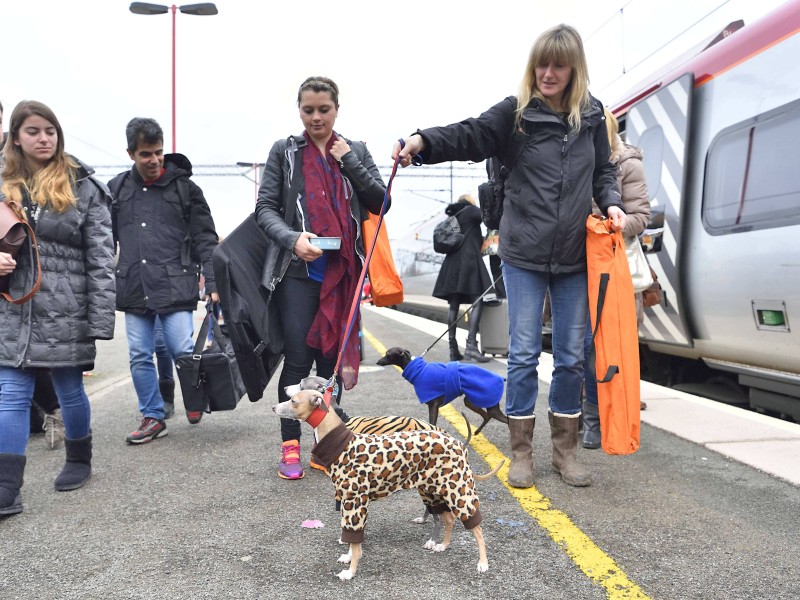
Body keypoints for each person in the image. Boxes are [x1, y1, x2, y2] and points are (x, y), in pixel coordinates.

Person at [394, 24, 627, 488]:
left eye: (558, 64)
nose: (548, 72)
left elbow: (603, 171)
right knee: (522, 354)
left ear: (574, 68)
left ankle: (565, 453)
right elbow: (470, 134)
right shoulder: (516, 115)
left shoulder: (593, 117)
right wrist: (422, 143)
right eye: (541, 63)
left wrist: (613, 201)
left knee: (570, 359)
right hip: (522, 254)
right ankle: (521, 452)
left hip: (574, 258)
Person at [255, 76, 388, 480]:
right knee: (297, 360)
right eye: (308, 110)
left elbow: (380, 201)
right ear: (299, 110)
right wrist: (293, 238)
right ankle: (290, 445)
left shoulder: (356, 149)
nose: (316, 117)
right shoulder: (285, 152)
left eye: (323, 109)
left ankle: (325, 445)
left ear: (336, 109)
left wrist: (349, 160)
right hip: (297, 272)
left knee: (329, 363)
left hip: (342, 273)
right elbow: (265, 209)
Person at [0, 100, 116, 516]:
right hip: (12, 306)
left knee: (69, 388)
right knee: (11, 394)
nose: (43, 138)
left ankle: (79, 459)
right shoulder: (1, 181)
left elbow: (102, 256)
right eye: (33, 131)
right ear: (17, 137)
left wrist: (99, 318)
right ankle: (7, 488)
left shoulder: (82, 183)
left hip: (67, 305)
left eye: (49, 130)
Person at [108, 117, 219, 444]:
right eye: (145, 154)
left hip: (175, 283)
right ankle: (153, 416)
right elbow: (102, 241)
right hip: (134, 286)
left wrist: (213, 283)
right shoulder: (116, 190)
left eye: (158, 152)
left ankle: (195, 399)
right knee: (139, 353)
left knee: (181, 348)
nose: (154, 159)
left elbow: (206, 239)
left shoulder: (185, 188)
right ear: (131, 153)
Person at [581, 108, 651, 449]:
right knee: (579, 347)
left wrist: (610, 224)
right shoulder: (580, 162)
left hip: (611, 265)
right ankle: (586, 414)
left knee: (604, 347)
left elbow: (641, 215)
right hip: (578, 264)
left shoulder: (628, 164)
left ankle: (601, 419)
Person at [433, 193, 492, 362]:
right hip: (468, 262)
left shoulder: (454, 218)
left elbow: (470, 237)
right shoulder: (471, 211)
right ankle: (471, 348)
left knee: (453, 306)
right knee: (478, 301)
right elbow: (489, 217)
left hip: (452, 265)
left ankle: (453, 350)